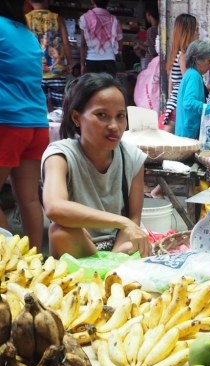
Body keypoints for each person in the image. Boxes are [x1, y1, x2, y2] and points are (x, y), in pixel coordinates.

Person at [41, 73, 150, 258]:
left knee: (137, 242)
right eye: (102, 115)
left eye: (120, 116)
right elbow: (54, 207)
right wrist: (121, 221)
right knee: (60, 231)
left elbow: (134, 218)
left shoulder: (132, 157)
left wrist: (114, 261)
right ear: (76, 117)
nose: (114, 126)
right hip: (81, 244)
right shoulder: (60, 155)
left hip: (118, 243)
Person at [0, 0, 49, 251]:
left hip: (7, 123)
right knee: (29, 199)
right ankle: (36, 261)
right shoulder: (28, 35)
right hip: (37, 124)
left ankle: (9, 264)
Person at [175, 40, 210, 140]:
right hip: (187, 134)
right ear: (198, 59)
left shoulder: (192, 74)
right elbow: (188, 102)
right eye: (209, 61)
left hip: (188, 131)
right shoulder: (193, 76)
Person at [26, 0, 73, 110]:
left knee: (38, 108)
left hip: (35, 74)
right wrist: (70, 62)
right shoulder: (57, 18)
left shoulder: (26, 19)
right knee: (60, 110)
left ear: (30, 1)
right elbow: (66, 43)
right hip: (57, 73)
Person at [161, 13, 198, 133]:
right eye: (196, 29)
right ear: (189, 32)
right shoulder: (184, 55)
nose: (198, 33)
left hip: (174, 103)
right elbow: (189, 82)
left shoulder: (177, 54)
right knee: (167, 141)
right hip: (179, 105)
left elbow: (171, 85)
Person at [79, 0, 121, 76]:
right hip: (109, 61)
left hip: (91, 61)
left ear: (92, 1)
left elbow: (83, 45)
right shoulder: (115, 20)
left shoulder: (84, 18)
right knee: (108, 87)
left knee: (93, 87)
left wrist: (82, 65)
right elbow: (120, 47)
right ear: (108, 2)